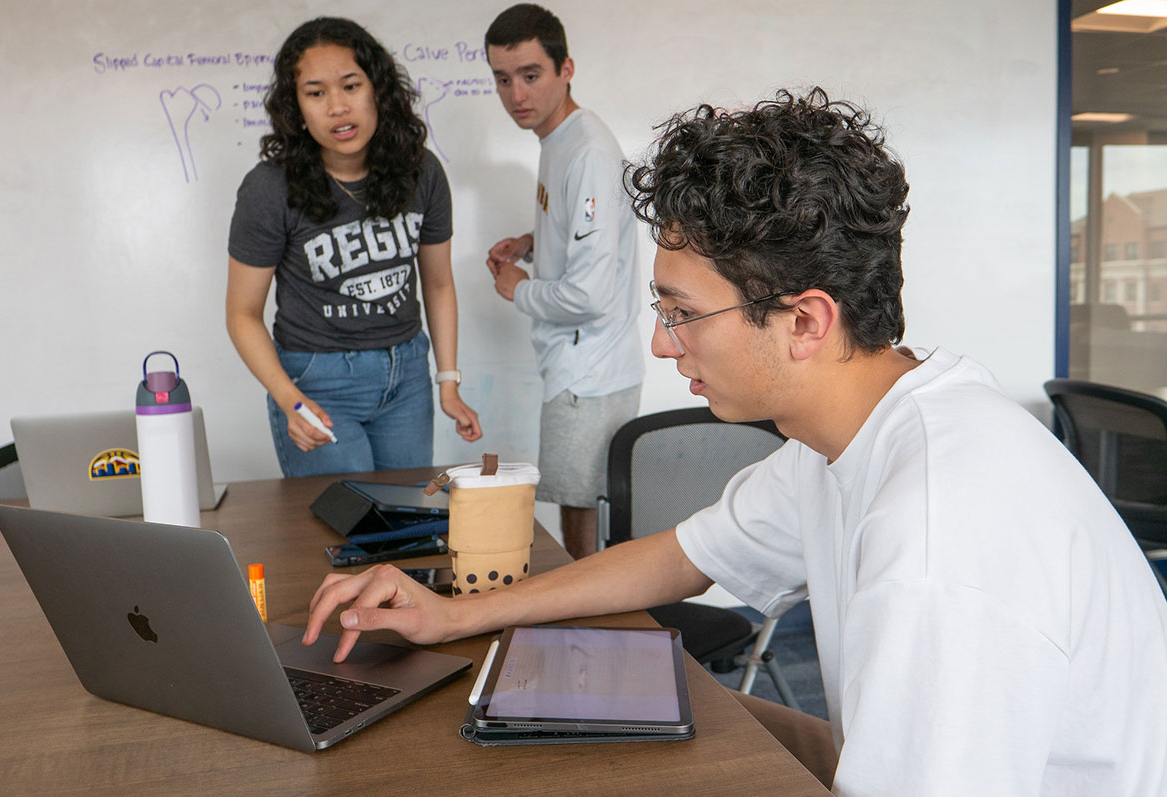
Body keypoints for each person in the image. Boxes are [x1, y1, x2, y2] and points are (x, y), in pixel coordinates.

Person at [303, 88, 1167, 795]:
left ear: (805, 321)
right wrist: (455, 613)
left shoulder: (937, 540)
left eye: (682, 313)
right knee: (673, 726)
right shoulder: (846, 435)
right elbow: (678, 556)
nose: (661, 343)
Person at [226, 17, 482, 478]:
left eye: (350, 85)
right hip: (317, 382)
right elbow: (243, 313)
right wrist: (291, 399)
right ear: (296, 106)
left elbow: (439, 284)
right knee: (342, 536)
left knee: (404, 525)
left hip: (406, 376)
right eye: (316, 92)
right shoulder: (269, 189)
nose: (338, 108)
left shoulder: (421, 171)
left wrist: (447, 381)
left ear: (377, 90)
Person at [482, 4, 644, 559]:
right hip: (582, 369)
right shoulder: (560, 140)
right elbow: (586, 230)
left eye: (530, 75)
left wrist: (518, 288)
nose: (516, 94)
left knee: (580, 525)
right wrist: (533, 239)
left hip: (589, 373)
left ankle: (589, 638)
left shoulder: (588, 151)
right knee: (576, 510)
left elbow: (590, 294)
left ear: (565, 68)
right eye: (503, 79)